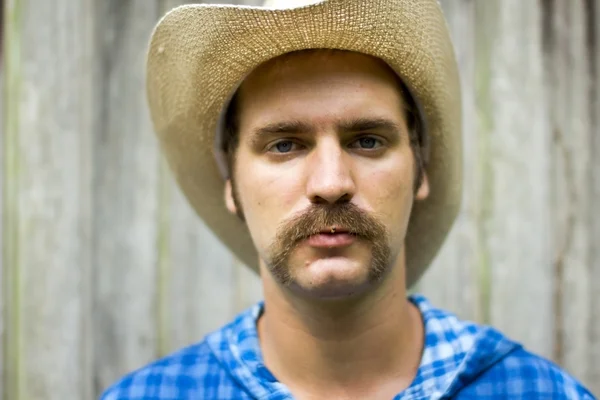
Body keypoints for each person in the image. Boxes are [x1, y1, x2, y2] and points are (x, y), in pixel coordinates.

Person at [101, 0, 595, 399]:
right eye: (285, 145)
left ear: (421, 168)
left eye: (367, 140)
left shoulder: (538, 392)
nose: (331, 182)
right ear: (231, 183)